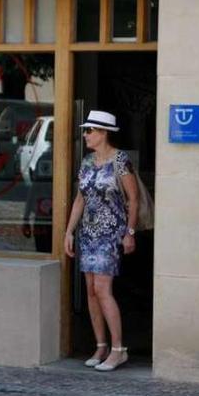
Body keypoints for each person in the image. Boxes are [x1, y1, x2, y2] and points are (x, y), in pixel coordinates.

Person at [64, 110, 138, 372]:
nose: (85, 135)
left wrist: (129, 233)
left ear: (103, 133)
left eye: (90, 131)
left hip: (109, 233)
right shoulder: (86, 162)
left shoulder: (120, 160)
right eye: (86, 130)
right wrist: (69, 231)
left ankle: (119, 350)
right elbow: (80, 199)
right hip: (88, 233)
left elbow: (134, 199)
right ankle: (101, 345)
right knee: (91, 291)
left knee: (103, 290)